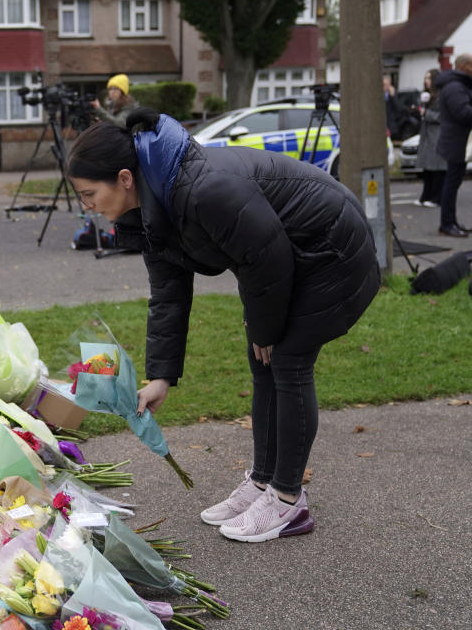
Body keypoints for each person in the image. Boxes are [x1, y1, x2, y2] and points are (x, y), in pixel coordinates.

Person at [66, 108, 380, 543]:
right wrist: (161, 377)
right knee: (261, 362)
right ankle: (263, 481)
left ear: (123, 177)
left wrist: (266, 329)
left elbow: (267, 259)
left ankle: (288, 500)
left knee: (286, 360)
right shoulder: (148, 208)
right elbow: (169, 295)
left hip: (331, 251)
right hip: (282, 260)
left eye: (87, 194)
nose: (86, 207)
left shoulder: (201, 190)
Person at [434, 53, 472, 238]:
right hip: (456, 142)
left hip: (457, 141)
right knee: (451, 184)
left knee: (453, 183)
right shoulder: (456, 87)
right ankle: (447, 224)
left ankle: (451, 222)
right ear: (464, 66)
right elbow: (463, 113)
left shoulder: (456, 85)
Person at [415, 69, 446, 208]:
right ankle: (425, 196)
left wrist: (426, 113)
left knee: (437, 168)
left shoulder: (441, 96)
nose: (426, 80)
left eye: (429, 78)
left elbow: (441, 117)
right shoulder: (426, 96)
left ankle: (436, 198)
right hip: (427, 136)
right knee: (427, 168)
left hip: (436, 136)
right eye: (425, 77)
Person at [382, 74, 408, 141]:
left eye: (386, 85)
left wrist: (393, 96)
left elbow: (400, 108)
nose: (385, 87)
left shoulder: (394, 94)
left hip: (392, 127)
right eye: (383, 85)